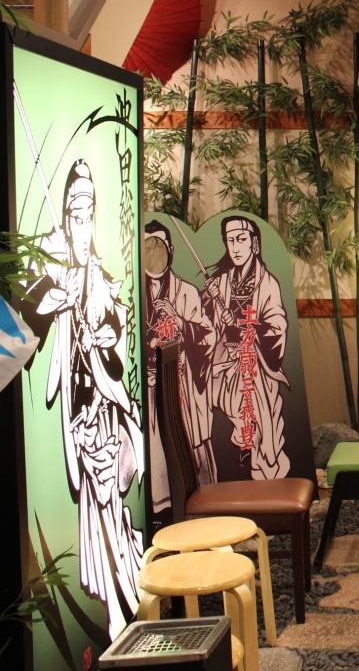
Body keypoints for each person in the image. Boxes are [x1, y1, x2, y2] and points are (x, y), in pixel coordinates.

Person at [20, 161, 143, 638]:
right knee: (95, 504)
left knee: (109, 503)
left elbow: (118, 331)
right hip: (78, 413)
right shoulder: (54, 264)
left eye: (88, 213)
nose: (81, 221)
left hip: (104, 406)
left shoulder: (100, 275)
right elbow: (27, 314)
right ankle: (115, 604)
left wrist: (105, 336)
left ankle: (124, 596)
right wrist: (59, 295)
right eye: (75, 212)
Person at [202, 216, 291, 479]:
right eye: (230, 241)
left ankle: (266, 471)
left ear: (254, 243)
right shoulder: (222, 282)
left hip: (256, 363)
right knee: (212, 393)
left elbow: (277, 325)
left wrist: (243, 324)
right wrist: (211, 300)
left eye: (241, 239)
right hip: (227, 362)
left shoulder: (267, 283)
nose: (236, 247)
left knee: (263, 425)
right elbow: (205, 321)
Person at [143, 220, 216, 501]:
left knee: (194, 450)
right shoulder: (134, 292)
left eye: (159, 246)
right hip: (150, 387)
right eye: (147, 247)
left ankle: (209, 505)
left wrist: (181, 323)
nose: (154, 253)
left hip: (182, 383)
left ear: (170, 251)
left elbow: (208, 336)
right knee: (155, 452)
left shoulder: (185, 292)